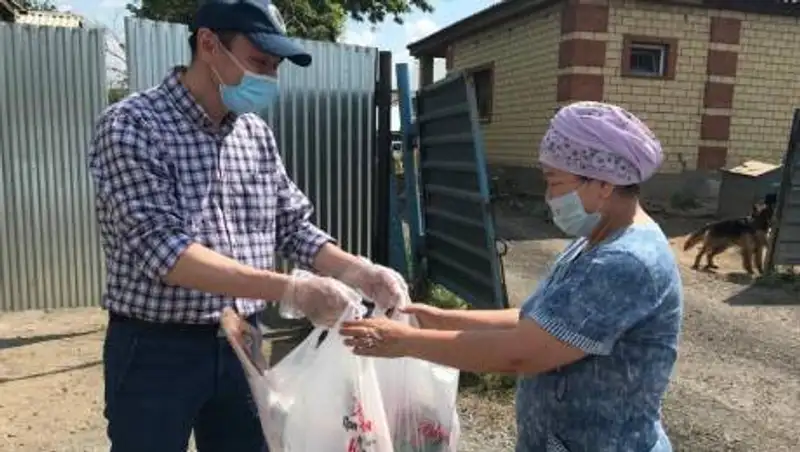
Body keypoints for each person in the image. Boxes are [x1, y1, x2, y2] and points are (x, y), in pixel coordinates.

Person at [88, 0, 403, 451]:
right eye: (259, 62)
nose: (268, 78)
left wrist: (359, 271)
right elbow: (165, 252)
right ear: (209, 44)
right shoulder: (132, 126)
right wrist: (293, 291)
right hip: (156, 348)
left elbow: (292, 226)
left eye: (274, 67)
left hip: (243, 341)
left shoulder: (253, 134)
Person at [340, 101, 683, 452]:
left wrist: (407, 342)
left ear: (604, 184)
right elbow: (538, 321)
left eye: (555, 181)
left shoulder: (626, 260)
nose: (549, 196)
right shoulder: (593, 242)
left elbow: (522, 352)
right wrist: (442, 319)